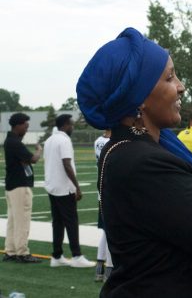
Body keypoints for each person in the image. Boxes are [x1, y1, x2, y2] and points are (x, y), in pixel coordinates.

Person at [76, 27, 192, 297]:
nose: (181, 86)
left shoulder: (136, 149)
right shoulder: (142, 163)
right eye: (169, 77)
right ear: (139, 97)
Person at [43, 114, 95, 268]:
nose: (72, 127)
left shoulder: (49, 140)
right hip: (64, 188)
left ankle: (57, 256)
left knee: (57, 223)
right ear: (65, 125)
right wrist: (77, 187)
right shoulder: (64, 140)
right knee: (71, 222)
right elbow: (66, 164)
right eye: (71, 124)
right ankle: (77, 255)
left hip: (52, 186)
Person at [3, 113, 42, 263]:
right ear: (18, 125)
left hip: (12, 185)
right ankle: (22, 252)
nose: (26, 129)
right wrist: (39, 150)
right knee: (22, 220)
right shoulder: (15, 143)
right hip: (20, 186)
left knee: (13, 220)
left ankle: (11, 251)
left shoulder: (10, 141)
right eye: (25, 126)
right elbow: (33, 159)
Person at [93, 129, 113, 282]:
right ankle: (109, 269)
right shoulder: (110, 143)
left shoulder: (97, 141)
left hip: (101, 190)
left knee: (106, 231)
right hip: (111, 190)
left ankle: (100, 267)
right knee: (113, 231)